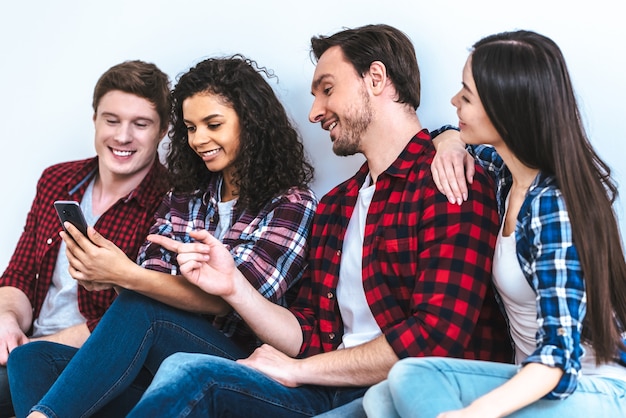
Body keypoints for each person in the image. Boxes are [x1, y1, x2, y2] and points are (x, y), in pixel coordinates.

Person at [122, 23, 512, 418]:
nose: (313, 113)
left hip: (403, 395)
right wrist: (235, 288)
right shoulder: (337, 205)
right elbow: (308, 332)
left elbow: (432, 338)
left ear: (376, 79)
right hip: (326, 387)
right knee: (185, 369)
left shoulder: (449, 181)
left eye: (327, 89)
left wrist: (299, 370)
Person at [10, 55, 317, 418]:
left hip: (241, 361)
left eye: (212, 124)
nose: (199, 139)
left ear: (250, 124)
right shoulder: (183, 197)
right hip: (162, 354)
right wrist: (115, 274)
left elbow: (230, 297)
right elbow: (153, 273)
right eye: (190, 127)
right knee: (32, 357)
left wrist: (125, 274)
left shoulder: (291, 203)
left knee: (145, 307)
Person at [363, 29, 626, 418]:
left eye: (466, 96)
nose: (453, 101)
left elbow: (559, 357)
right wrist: (451, 142)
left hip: (590, 388)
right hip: (531, 375)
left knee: (405, 386)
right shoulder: (502, 175)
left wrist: (475, 413)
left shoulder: (555, 207)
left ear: (506, 110)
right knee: (385, 393)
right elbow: (434, 136)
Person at [0, 60, 171, 418]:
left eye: (140, 124)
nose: (122, 136)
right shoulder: (57, 180)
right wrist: (7, 320)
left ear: (163, 130)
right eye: (112, 120)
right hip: (24, 346)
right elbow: (18, 275)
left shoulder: (171, 201)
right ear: (95, 119)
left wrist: (28, 348)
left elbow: (131, 319)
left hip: (95, 365)